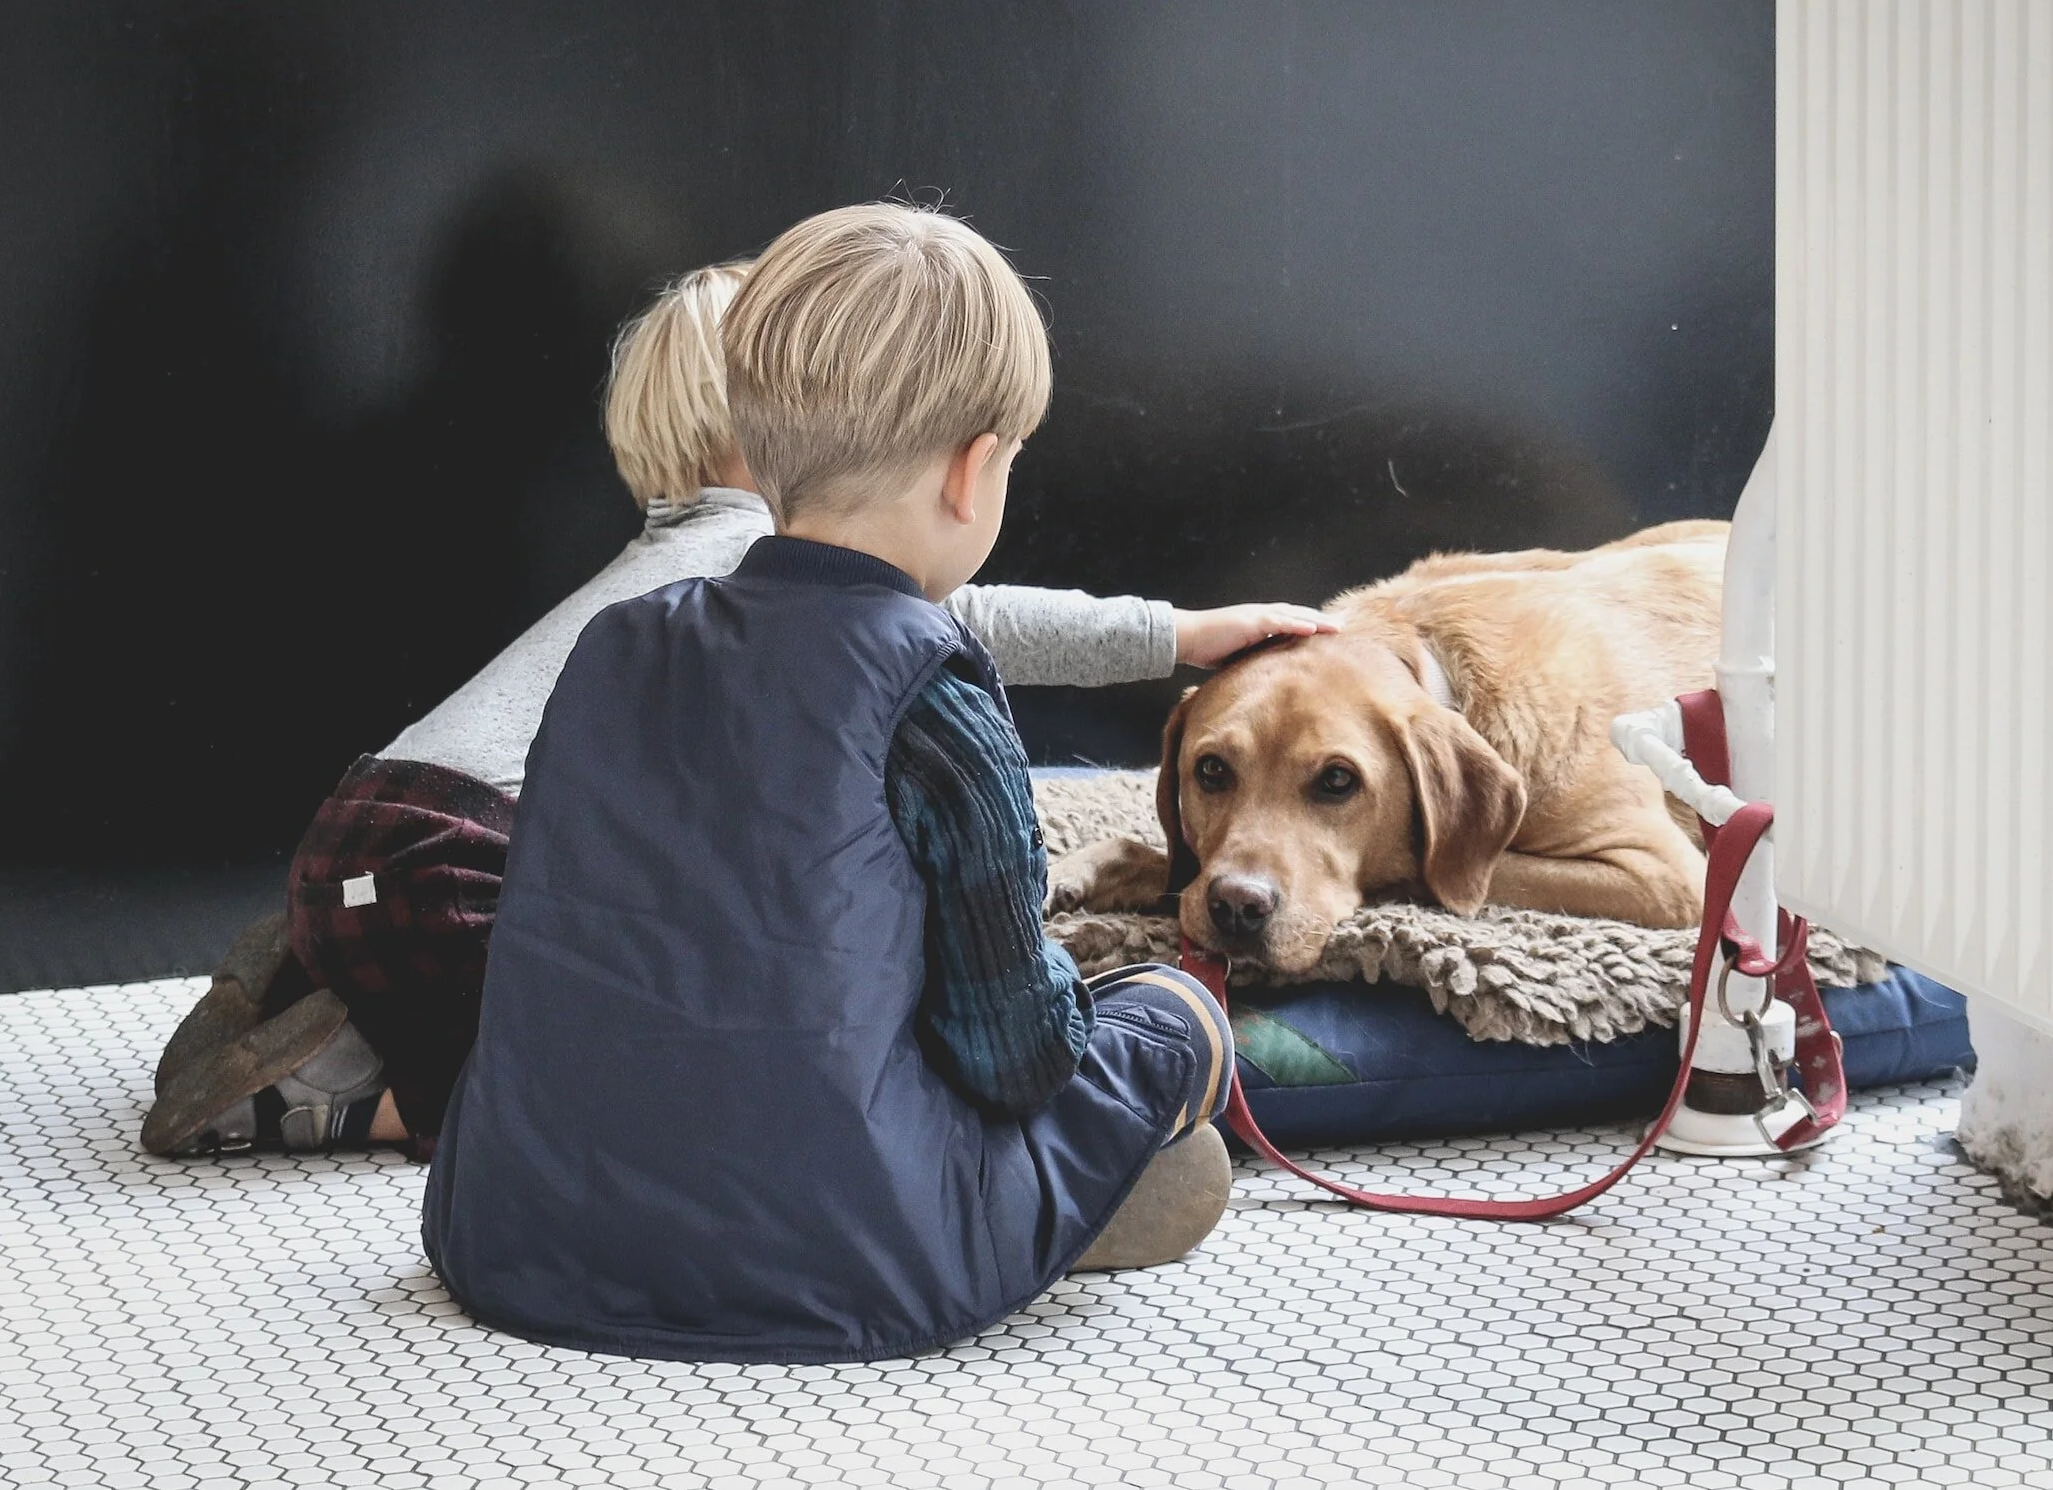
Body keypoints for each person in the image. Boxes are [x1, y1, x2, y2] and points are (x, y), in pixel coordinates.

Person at [143, 254, 1325, 1164]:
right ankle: (330, 1098)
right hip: (460, 852)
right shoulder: (757, 563)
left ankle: (326, 988)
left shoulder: (671, 566)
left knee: (567, 993)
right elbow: (973, 617)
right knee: (583, 1076)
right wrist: (1175, 633)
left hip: (374, 831)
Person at [422, 202, 1304, 1362]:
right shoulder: (932, 688)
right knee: (1171, 1015)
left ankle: (1010, 1198)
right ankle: (1042, 1204)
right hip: (837, 1251)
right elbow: (1016, 1050)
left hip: (519, 1222)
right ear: (972, 471)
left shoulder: (617, 644)